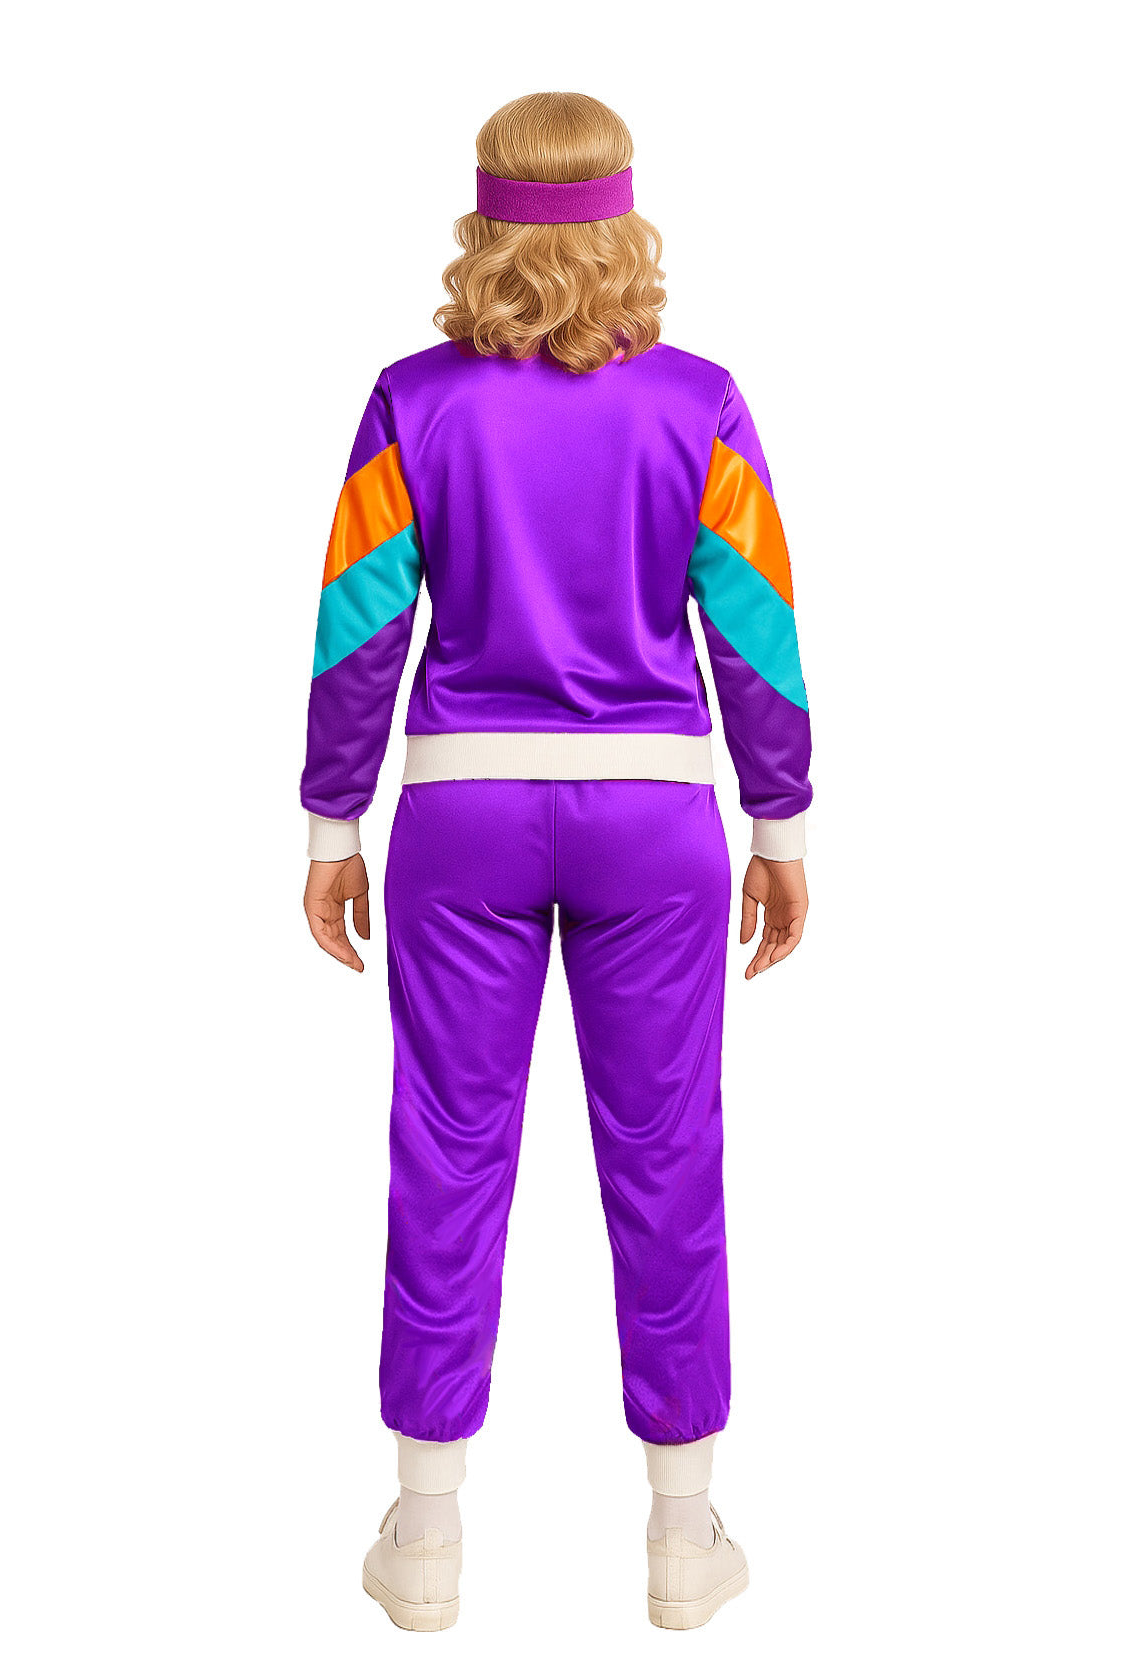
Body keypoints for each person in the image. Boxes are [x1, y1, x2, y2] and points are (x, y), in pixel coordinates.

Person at [300, 91, 811, 1633]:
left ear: (482, 221)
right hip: (654, 823)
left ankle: (424, 1538)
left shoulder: (411, 401)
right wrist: (779, 821)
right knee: (666, 1156)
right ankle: (681, 1538)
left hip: (459, 816)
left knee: (447, 1150)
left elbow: (358, 625)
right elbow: (755, 631)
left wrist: (331, 821)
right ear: (625, 220)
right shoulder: (699, 404)